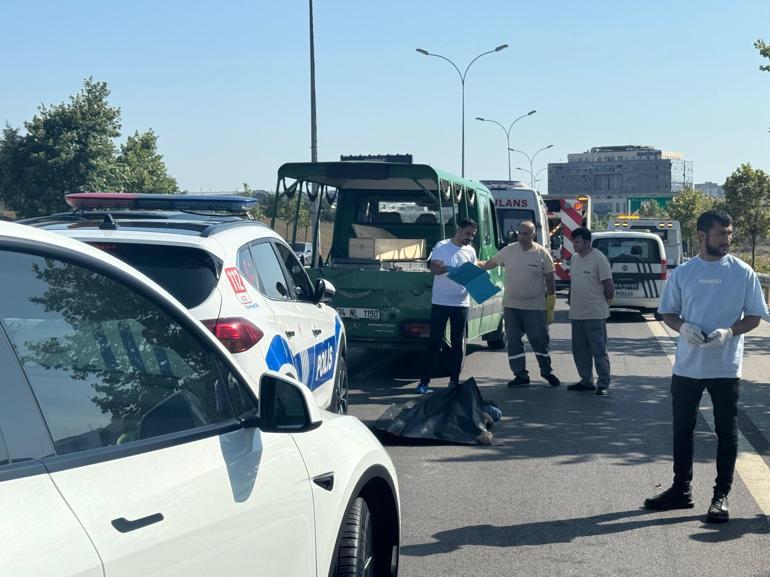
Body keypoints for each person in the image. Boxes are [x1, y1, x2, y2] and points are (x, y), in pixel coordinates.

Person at [644, 210, 768, 523]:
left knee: (726, 432)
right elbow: (668, 313)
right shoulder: (684, 273)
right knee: (682, 430)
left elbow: (754, 316)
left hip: (726, 367)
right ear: (701, 236)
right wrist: (682, 327)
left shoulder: (742, 272)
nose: (727, 239)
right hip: (688, 367)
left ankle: (721, 496)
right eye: (721, 234)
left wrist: (730, 331)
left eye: (729, 233)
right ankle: (680, 491)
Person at [480, 220, 560, 387]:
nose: (522, 237)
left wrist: (550, 303)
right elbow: (488, 265)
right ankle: (520, 375)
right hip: (511, 307)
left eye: (526, 234)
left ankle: (547, 371)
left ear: (533, 235)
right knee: (514, 341)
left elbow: (550, 279)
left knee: (540, 340)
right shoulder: (508, 251)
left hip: (535, 307)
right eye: (520, 233)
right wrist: (470, 264)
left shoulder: (541, 253)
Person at [417, 218, 479, 394]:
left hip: (461, 302)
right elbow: (434, 268)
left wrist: (480, 284)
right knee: (435, 342)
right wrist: (448, 268)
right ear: (459, 230)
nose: (469, 238)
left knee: (458, 343)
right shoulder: (442, 246)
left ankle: (454, 381)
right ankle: (424, 382)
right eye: (467, 234)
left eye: (472, 235)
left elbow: (472, 275)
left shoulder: (471, 251)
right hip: (441, 302)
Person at [567, 227, 614, 396]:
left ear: (587, 242)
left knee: (598, 350)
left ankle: (603, 383)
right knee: (579, 350)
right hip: (577, 313)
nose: (574, 245)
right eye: (574, 241)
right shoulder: (574, 259)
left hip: (595, 313)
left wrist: (607, 302)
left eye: (578, 242)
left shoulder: (599, 259)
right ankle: (586, 381)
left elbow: (609, 285)